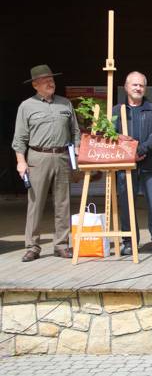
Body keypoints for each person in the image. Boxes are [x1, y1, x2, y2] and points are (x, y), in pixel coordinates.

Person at [13, 64, 80, 261]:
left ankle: (61, 245)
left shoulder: (65, 104)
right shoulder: (26, 106)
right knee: (35, 203)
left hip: (61, 157)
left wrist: (76, 154)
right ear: (35, 85)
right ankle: (33, 246)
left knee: (63, 203)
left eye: (52, 79)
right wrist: (20, 161)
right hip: (37, 157)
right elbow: (19, 139)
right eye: (45, 80)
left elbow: (75, 132)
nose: (51, 83)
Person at [112, 71, 152, 255]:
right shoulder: (116, 111)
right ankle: (129, 241)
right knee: (127, 203)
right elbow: (109, 135)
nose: (138, 88)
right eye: (134, 85)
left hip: (149, 163)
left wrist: (140, 150)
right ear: (126, 87)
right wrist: (127, 151)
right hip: (125, 165)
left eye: (141, 85)